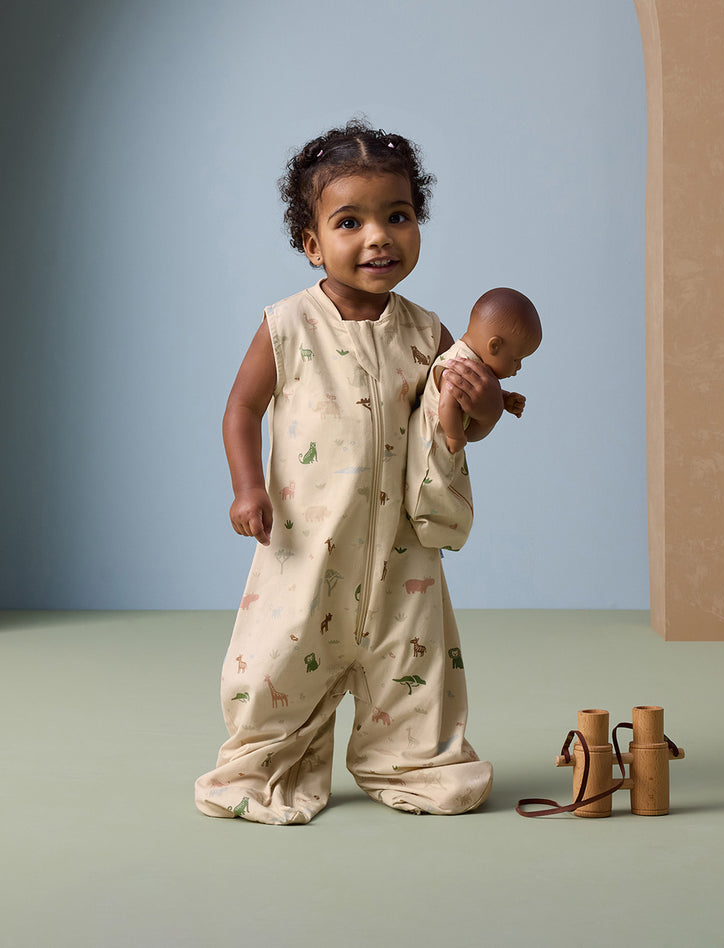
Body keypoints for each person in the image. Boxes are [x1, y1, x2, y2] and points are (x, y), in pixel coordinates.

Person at [194, 119, 504, 824]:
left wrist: (480, 404)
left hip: (403, 548)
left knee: (412, 666)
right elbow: (240, 409)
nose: (378, 237)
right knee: (280, 660)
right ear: (312, 244)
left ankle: (414, 761)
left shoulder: (428, 332)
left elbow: (460, 426)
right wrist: (247, 486)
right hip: (309, 545)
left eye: (398, 216)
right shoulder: (288, 325)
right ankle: (266, 762)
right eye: (350, 221)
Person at [406, 288, 541, 550]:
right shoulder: (460, 364)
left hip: (440, 441)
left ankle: (440, 531)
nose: (518, 368)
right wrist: (456, 435)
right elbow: (448, 401)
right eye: (517, 359)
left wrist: (501, 399)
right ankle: (432, 529)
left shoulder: (473, 364)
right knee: (434, 489)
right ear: (495, 345)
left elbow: (472, 394)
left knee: (449, 492)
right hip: (433, 442)